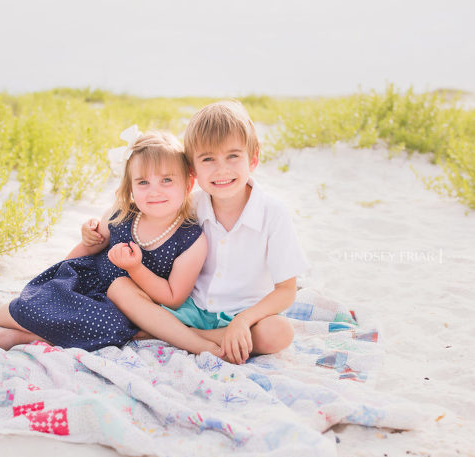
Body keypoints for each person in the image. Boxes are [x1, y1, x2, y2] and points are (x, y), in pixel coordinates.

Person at [0, 131, 218, 356]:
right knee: (37, 302)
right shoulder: (123, 214)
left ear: (188, 182)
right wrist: (89, 238)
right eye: (143, 182)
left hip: (129, 306)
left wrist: (135, 269)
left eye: (167, 180)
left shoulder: (190, 238)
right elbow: (92, 247)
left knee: (110, 328)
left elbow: (173, 297)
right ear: (130, 187)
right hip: (89, 282)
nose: (154, 191)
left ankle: (31, 336)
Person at [82, 101, 309, 364]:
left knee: (280, 333)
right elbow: (138, 215)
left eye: (233, 156)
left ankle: (184, 335)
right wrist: (93, 230)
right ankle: (194, 334)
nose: (221, 169)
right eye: (208, 159)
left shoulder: (273, 213)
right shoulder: (191, 204)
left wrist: (244, 320)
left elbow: (286, 291)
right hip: (189, 308)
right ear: (193, 168)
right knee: (121, 289)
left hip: (247, 314)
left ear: (253, 158)